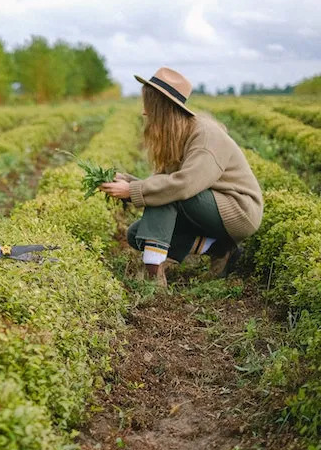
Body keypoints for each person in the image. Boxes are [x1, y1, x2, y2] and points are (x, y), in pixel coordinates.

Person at [100, 67, 263, 287]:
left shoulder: (205, 136)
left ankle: (153, 276)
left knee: (167, 195)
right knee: (137, 234)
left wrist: (132, 191)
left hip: (237, 211)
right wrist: (128, 182)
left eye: (148, 105)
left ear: (161, 108)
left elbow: (183, 186)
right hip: (207, 205)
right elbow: (169, 182)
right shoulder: (179, 133)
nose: (144, 112)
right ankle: (220, 248)